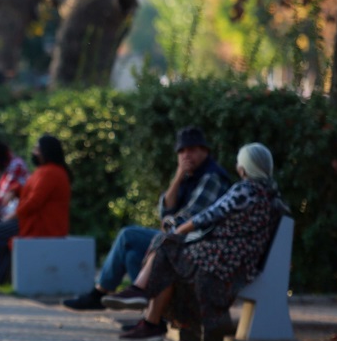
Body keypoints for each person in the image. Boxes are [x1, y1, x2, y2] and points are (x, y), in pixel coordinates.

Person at [117, 143, 287, 341]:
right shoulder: (272, 195)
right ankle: (148, 314)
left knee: (167, 246)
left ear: (243, 168)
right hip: (243, 261)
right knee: (171, 251)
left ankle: (145, 305)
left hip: (223, 260)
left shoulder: (246, 189)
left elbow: (209, 215)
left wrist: (178, 231)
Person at [64, 126, 231, 311]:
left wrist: (168, 223)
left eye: (191, 149)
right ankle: (151, 318)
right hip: (179, 240)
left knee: (128, 235)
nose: (186, 155)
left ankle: (100, 293)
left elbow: (186, 219)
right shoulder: (189, 175)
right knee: (132, 255)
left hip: (195, 245)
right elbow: (164, 211)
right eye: (181, 151)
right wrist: (177, 177)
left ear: (204, 151)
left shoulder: (211, 177)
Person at [0, 135, 72, 290]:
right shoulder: (44, 171)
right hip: (31, 221)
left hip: (41, 226)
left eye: (36, 149)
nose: (34, 152)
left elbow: (33, 202)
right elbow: (29, 190)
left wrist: (12, 216)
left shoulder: (51, 173)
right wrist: (15, 190)